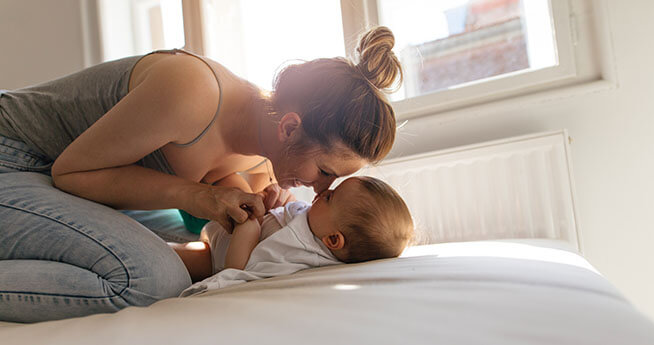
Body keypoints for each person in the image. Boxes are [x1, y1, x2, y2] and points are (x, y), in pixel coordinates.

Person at [0, 26, 403, 322]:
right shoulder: (193, 94)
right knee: (153, 279)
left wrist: (251, 206)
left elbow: (224, 239)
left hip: (64, 184)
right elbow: (72, 173)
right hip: (17, 158)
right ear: (289, 128)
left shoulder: (266, 160)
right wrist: (198, 196)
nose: (320, 189)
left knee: (197, 257)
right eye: (324, 172)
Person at [170, 176, 414, 296]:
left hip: (213, 255)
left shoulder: (295, 251)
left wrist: (250, 226)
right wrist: (279, 196)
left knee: (171, 254)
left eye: (330, 197)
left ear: (333, 240)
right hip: (219, 228)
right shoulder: (317, 224)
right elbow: (291, 209)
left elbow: (238, 269)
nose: (324, 191)